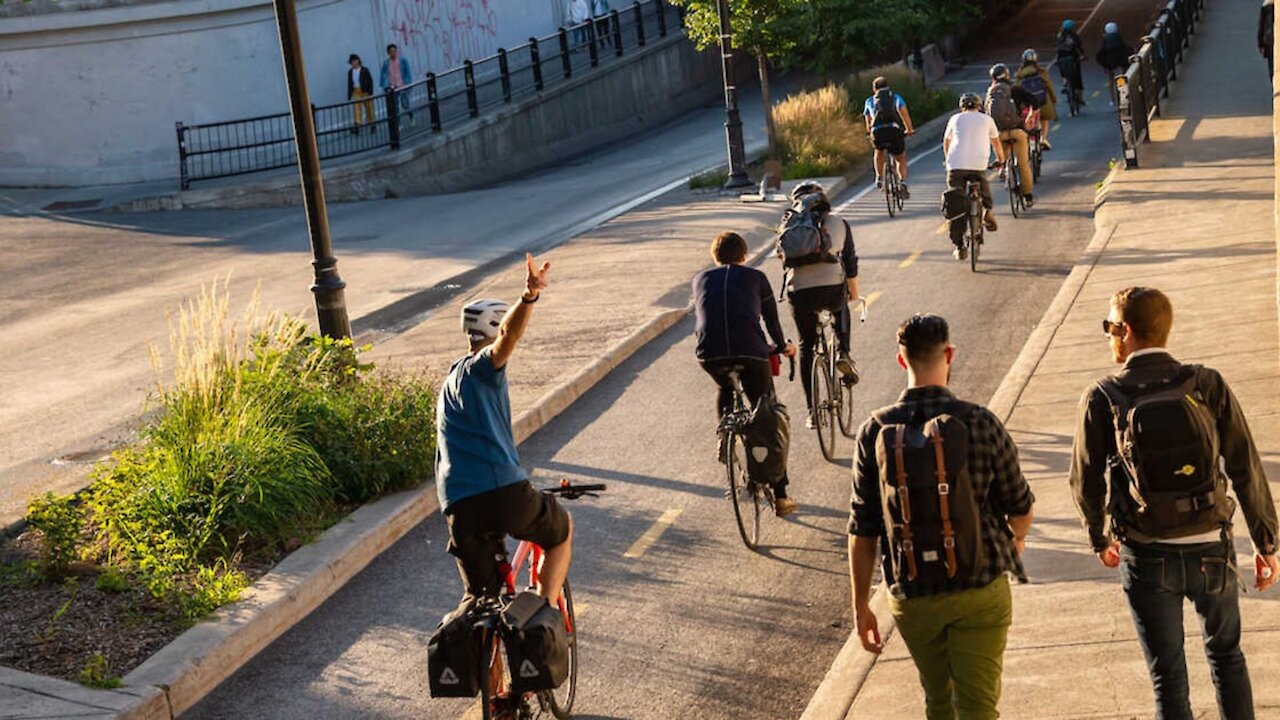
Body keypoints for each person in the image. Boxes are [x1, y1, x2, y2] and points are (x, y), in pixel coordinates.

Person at [1069, 286, 1279, 720]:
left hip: (1147, 552)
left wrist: (1098, 536)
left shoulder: (1103, 396)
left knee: (1168, 672)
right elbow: (1245, 464)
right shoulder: (1206, 383)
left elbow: (1085, 479)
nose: (1108, 335)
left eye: (1110, 327)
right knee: (1227, 658)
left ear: (1125, 332)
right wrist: (1266, 541)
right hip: (1211, 547)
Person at [849, 313, 1035, 720]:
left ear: (902, 361)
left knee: (938, 699)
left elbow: (863, 529)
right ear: (949, 354)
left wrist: (861, 604)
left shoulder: (873, 431)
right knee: (978, 706)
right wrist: (1015, 540)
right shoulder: (979, 422)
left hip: (913, 595)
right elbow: (1020, 505)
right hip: (979, 587)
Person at [437, 254, 574, 610]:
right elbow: (508, 339)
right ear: (493, 328)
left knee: (480, 602)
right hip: (502, 490)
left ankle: (482, 660)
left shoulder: (451, 381)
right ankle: (545, 615)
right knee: (560, 530)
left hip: (457, 505)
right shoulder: (483, 369)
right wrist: (529, 296)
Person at [694, 231, 799, 517]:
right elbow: (771, 320)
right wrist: (782, 347)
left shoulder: (700, 280)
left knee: (724, 388)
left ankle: (725, 433)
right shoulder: (756, 277)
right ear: (744, 255)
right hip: (751, 352)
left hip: (709, 354)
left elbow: (707, 317)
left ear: (715, 257)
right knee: (768, 414)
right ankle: (781, 494)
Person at [783, 183, 862, 428]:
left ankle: (812, 411)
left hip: (800, 291)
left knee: (807, 345)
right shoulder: (839, 223)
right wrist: (854, 294)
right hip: (831, 287)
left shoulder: (788, 226)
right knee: (841, 307)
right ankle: (843, 352)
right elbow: (849, 263)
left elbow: (784, 260)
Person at [943, 92, 1004, 261]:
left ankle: (959, 246)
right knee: (983, 186)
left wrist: (948, 160)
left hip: (955, 165)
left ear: (962, 107)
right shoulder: (987, 119)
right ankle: (988, 212)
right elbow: (996, 143)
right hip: (978, 164)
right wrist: (1000, 160)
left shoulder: (955, 119)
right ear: (979, 106)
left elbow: (946, 142)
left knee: (955, 204)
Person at [985, 63, 1037, 208]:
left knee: (1004, 156)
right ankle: (1028, 196)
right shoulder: (1015, 89)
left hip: (999, 134)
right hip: (1017, 131)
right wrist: (1030, 116)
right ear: (1007, 75)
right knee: (1023, 164)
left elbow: (986, 115)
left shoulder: (991, 92)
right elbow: (1035, 101)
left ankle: (1004, 168)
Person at [862, 76, 916, 198]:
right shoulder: (895, 97)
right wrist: (909, 129)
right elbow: (904, 114)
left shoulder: (869, 101)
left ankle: (879, 177)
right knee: (900, 157)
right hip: (894, 131)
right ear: (888, 87)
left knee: (878, 151)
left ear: (874, 89)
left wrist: (869, 133)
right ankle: (902, 182)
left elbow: (868, 122)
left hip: (877, 133)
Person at [1015, 49, 1056, 150]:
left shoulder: (1020, 74)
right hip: (1043, 102)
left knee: (1030, 118)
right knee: (1045, 118)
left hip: (1028, 104)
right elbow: (1049, 86)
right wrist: (1054, 99)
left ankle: (1029, 142)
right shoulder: (1041, 72)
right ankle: (1043, 138)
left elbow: (1016, 89)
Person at [1095, 23, 1134, 106]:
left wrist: (1103, 63)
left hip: (1110, 63)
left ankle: (1112, 100)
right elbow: (1125, 48)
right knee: (1122, 78)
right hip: (1120, 62)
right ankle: (1125, 96)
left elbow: (1101, 52)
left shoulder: (1105, 39)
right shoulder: (1118, 37)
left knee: (1111, 80)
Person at [1056, 19, 1086, 109]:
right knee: (1077, 78)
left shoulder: (1060, 36)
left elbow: (1058, 48)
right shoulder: (1074, 36)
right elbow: (1079, 47)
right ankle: (1080, 98)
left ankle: (1065, 84)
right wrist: (1082, 55)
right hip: (1073, 59)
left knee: (1063, 73)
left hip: (1061, 58)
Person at [380, 44, 413, 121]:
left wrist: (407, 83)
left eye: (394, 51)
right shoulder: (386, 63)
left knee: (405, 104)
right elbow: (384, 74)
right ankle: (398, 123)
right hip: (392, 87)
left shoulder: (403, 60)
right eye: (391, 51)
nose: (393, 53)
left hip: (402, 85)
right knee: (395, 107)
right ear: (388, 53)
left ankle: (411, 116)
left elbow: (408, 72)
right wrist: (385, 86)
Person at [347, 54, 375, 134]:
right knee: (356, 108)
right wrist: (349, 95)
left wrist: (370, 92)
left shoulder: (364, 70)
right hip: (356, 91)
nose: (354, 63)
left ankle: (372, 124)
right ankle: (357, 125)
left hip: (365, 90)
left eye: (355, 60)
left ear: (358, 61)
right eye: (352, 61)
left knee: (369, 107)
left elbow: (370, 80)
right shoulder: (350, 72)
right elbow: (349, 83)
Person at [1259, 0, 1274, 78]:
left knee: (1272, 67)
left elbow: (1261, 25)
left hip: (1269, 39)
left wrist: (1260, 43)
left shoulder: (1266, 5)